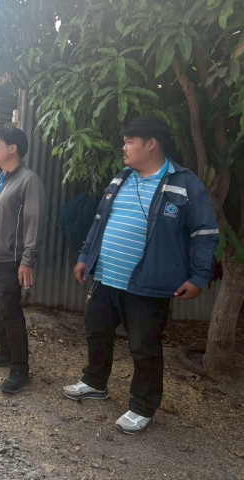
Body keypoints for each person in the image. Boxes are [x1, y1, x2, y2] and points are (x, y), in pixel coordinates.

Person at [63, 116, 219, 434]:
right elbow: (99, 222)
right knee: (97, 332)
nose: (124, 147)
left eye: (130, 142)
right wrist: (84, 257)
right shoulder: (121, 179)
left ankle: (143, 408)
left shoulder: (185, 183)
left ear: (151, 144)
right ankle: (95, 383)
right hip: (106, 277)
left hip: (148, 285)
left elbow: (204, 233)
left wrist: (199, 277)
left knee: (144, 347)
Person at [0, 127, 46, 394]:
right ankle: (4, 352)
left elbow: (34, 222)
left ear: (13, 148)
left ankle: (20, 368)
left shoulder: (29, 181)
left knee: (9, 310)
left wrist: (28, 259)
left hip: (11, 260)